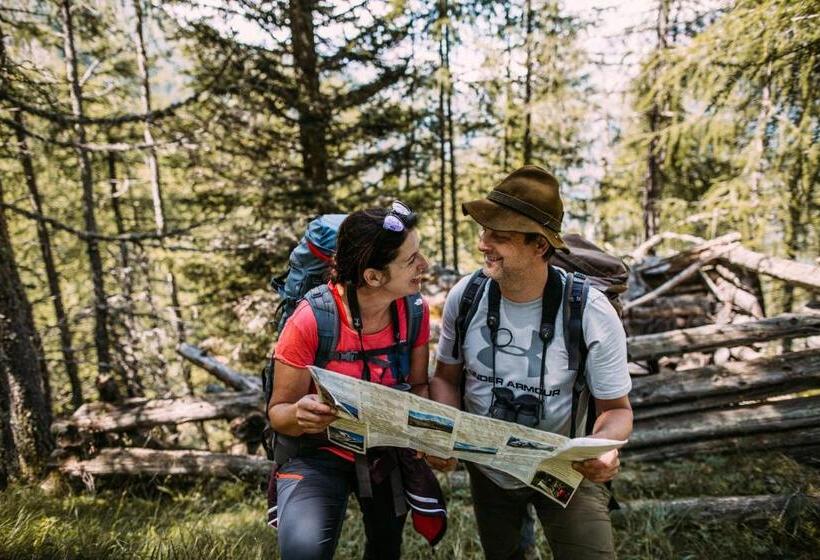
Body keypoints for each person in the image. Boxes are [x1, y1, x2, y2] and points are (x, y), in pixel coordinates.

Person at [429, 165, 633, 560]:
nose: (483, 244)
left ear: (539, 246)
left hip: (565, 470)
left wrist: (602, 447)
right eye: (484, 232)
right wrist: (442, 430)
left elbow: (617, 411)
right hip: (488, 470)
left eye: (499, 237)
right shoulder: (466, 297)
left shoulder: (589, 311)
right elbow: (447, 380)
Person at [268, 202, 445, 560]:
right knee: (304, 552)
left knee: (385, 548)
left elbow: (419, 386)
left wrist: (433, 432)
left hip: (385, 449)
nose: (424, 265)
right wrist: (299, 414)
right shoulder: (310, 320)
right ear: (373, 277)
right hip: (317, 452)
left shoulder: (414, 311)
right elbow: (277, 413)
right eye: (411, 260)